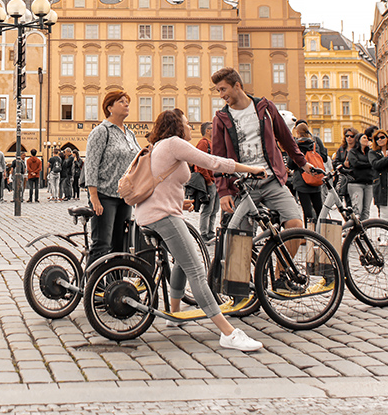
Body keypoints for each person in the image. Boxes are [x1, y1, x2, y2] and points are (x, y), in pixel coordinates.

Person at [136, 108, 265, 352]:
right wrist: (251, 169)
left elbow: (163, 183)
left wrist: (180, 202)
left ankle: (174, 314)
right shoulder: (174, 143)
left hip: (153, 213)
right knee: (196, 269)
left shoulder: (161, 146)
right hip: (163, 216)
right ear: (176, 126)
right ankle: (228, 333)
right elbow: (212, 162)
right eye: (186, 122)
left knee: (182, 263)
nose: (190, 125)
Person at [210, 68, 315, 265]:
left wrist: (303, 163)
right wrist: (223, 191)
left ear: (237, 85)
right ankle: (243, 291)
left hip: (271, 180)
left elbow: (286, 139)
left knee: (295, 225)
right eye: (218, 91)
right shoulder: (221, 119)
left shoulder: (265, 107)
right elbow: (218, 157)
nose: (221, 95)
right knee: (240, 241)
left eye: (223, 89)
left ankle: (282, 274)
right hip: (241, 187)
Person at [84, 90, 142, 266]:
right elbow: (91, 164)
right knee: (102, 244)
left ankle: (114, 287)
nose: (126, 104)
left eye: (127, 101)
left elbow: (138, 160)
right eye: (121, 101)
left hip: (124, 197)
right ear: (109, 107)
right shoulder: (101, 131)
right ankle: (93, 287)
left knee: (119, 246)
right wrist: (93, 196)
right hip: (104, 195)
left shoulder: (129, 134)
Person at [288, 121, 326, 228]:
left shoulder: (296, 145)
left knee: (307, 210)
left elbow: (291, 164)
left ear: (298, 132)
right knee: (319, 208)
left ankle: (309, 233)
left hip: (301, 181)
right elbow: (323, 157)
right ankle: (320, 232)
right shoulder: (314, 144)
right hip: (315, 178)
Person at [344, 132, 378, 221]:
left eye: (367, 138)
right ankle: (354, 230)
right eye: (364, 138)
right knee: (357, 209)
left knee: (366, 210)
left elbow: (375, 162)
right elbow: (355, 164)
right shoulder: (353, 151)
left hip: (368, 183)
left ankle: (364, 230)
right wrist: (369, 164)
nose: (367, 140)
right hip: (356, 183)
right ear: (358, 140)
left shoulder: (370, 152)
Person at [195, 123, 220, 242]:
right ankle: (204, 233)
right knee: (207, 208)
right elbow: (200, 163)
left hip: (215, 180)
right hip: (209, 182)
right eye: (213, 128)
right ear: (208, 131)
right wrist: (208, 181)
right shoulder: (203, 143)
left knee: (214, 209)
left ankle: (210, 231)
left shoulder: (212, 143)